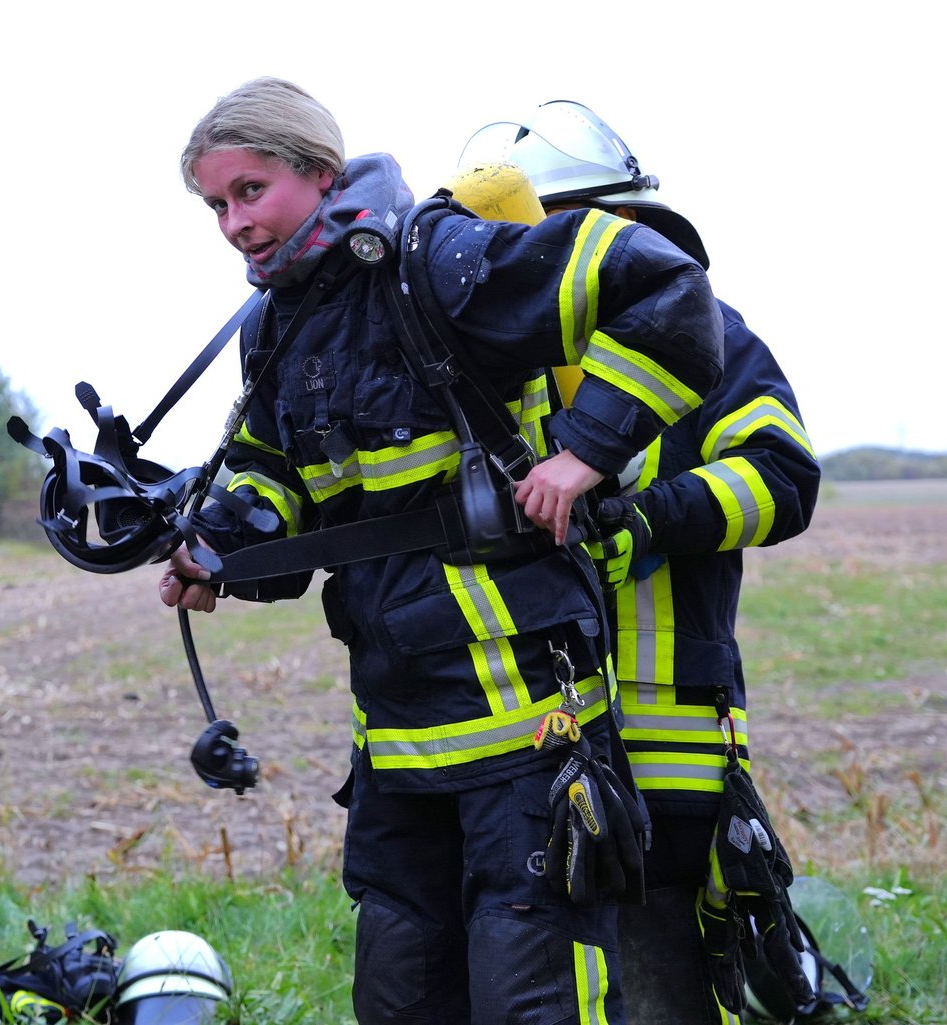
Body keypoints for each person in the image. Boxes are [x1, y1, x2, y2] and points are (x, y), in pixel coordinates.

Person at [159, 77, 724, 1025]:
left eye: (250, 191)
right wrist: (217, 546)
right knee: (401, 995)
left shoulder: (442, 261)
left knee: (530, 998)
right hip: (396, 738)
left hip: (530, 735)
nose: (232, 223)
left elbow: (666, 287)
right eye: (216, 204)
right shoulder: (275, 328)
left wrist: (585, 453)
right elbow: (275, 480)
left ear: (321, 173)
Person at [460, 101, 820, 1024]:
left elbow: (782, 475)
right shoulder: (481, 368)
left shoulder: (713, 337)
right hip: (518, 763)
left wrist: (649, 520)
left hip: (668, 759)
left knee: (661, 993)